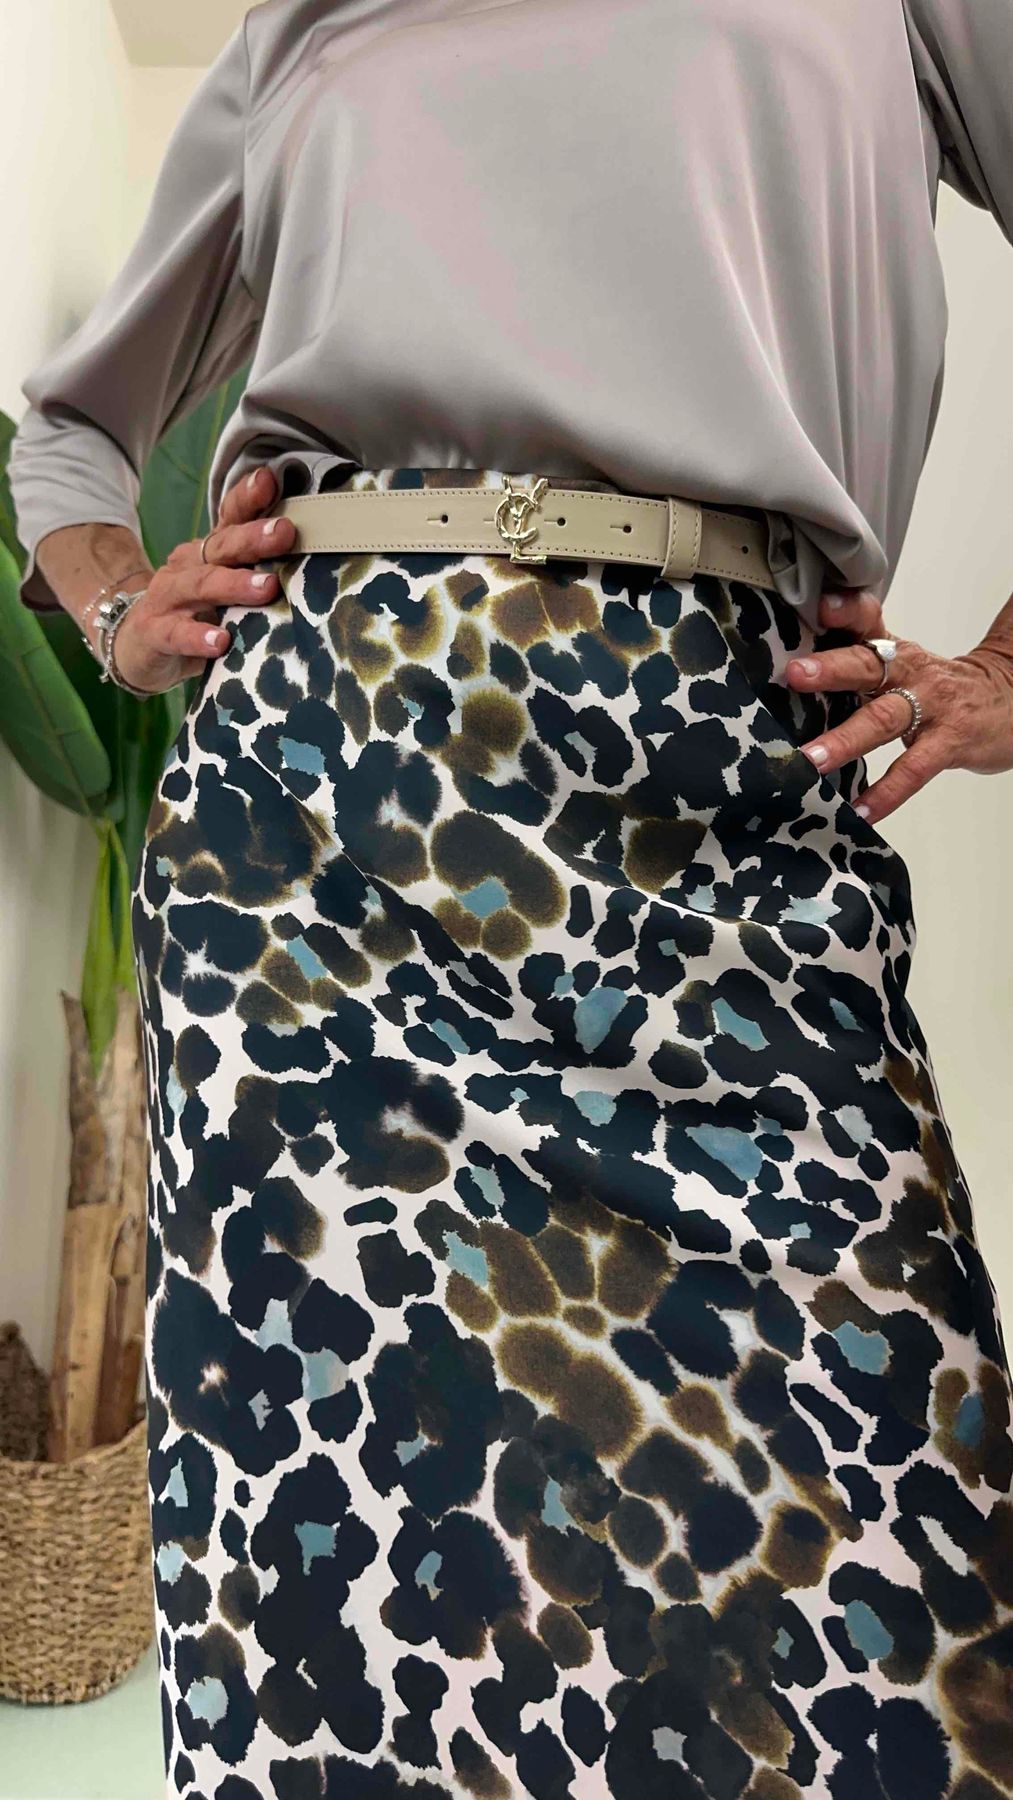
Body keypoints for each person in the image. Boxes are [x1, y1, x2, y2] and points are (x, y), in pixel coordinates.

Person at [9, 1, 1013, 1794]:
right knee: (335, 1571)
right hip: (312, 847)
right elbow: (71, 435)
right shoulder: (305, 22)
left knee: (880, 1573)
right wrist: (112, 607)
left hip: (720, 805)